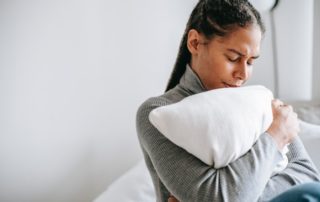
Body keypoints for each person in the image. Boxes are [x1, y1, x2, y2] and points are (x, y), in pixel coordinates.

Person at [136, 0, 320, 201]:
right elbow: (219, 198)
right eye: (233, 58)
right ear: (195, 43)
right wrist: (275, 136)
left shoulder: (260, 103)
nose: (243, 74)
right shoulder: (157, 113)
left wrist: (245, 191)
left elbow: (309, 175)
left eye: (250, 62)